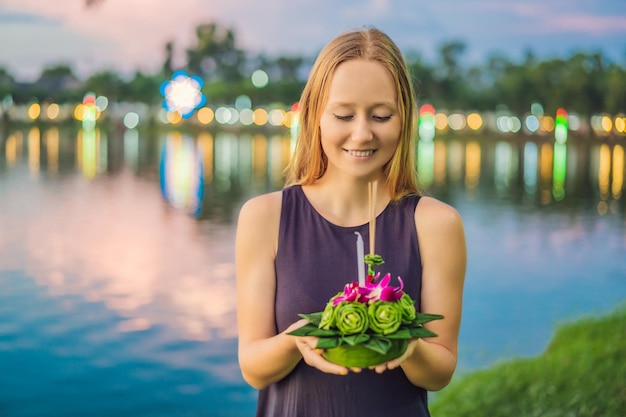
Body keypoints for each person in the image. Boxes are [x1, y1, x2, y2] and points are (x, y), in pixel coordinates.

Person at [235, 27, 466, 417]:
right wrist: (297, 341)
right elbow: (253, 368)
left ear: (404, 119)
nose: (362, 134)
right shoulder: (264, 217)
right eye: (344, 114)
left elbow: (440, 372)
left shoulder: (437, 224)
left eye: (380, 115)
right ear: (315, 116)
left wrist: (406, 342)